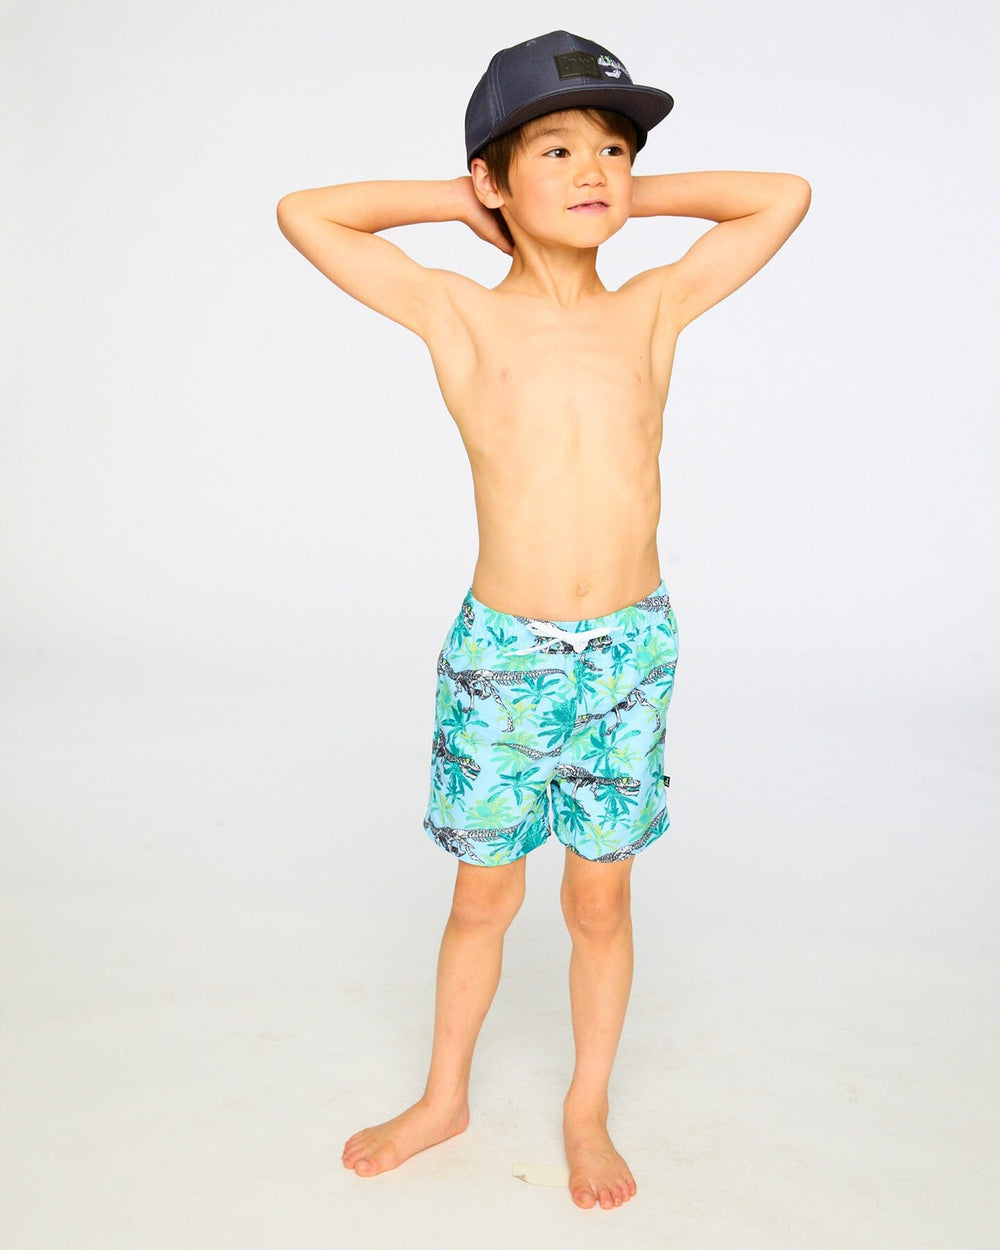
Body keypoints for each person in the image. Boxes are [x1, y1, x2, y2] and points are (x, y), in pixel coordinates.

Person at [276, 28, 810, 1212]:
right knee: (483, 894)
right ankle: (443, 1095)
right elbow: (306, 213)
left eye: (613, 150)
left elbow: (782, 194)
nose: (594, 170)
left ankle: (586, 1105)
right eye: (557, 151)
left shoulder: (654, 307)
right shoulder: (460, 314)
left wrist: (618, 199)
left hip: (628, 651)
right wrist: (472, 201)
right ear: (497, 176)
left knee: (600, 897)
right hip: (504, 655)